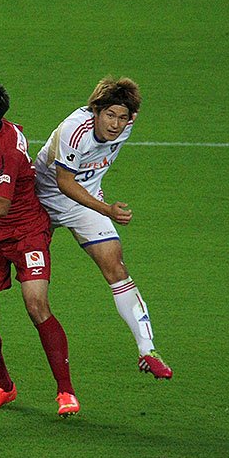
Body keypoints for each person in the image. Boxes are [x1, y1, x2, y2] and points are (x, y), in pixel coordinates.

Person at [0, 78, 79, 416]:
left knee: (36, 305)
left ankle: (65, 391)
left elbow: (2, 204)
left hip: (25, 231)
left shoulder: (5, 151)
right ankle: (4, 387)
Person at [34, 77, 172, 379]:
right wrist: (107, 209)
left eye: (122, 117)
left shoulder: (127, 124)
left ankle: (147, 350)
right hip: (40, 201)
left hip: (84, 203)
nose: (115, 124)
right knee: (30, 288)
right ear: (95, 110)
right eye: (110, 115)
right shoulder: (75, 130)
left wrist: (99, 207)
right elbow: (64, 182)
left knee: (116, 268)